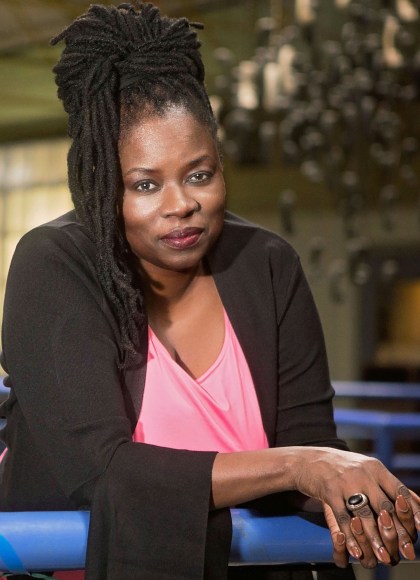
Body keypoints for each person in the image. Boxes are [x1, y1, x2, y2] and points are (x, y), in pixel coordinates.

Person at [0, 2, 419, 579]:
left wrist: (356, 491)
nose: (182, 205)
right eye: (145, 185)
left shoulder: (267, 263)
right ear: (101, 183)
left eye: (200, 174)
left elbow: (310, 445)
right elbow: (101, 472)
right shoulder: (54, 264)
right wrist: (299, 466)